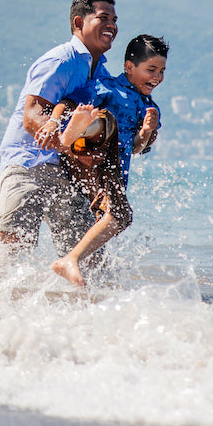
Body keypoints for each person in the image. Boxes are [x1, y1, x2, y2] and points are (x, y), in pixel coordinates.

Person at [0, 0, 119, 268]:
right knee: (13, 239)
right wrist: (58, 138)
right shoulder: (61, 60)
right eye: (103, 18)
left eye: (115, 19)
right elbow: (31, 114)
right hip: (29, 163)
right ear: (78, 23)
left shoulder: (102, 72)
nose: (111, 25)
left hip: (65, 172)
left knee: (89, 256)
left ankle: (85, 307)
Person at [49, 34, 168, 286]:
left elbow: (137, 148)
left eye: (162, 71)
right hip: (92, 159)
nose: (157, 77)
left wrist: (147, 132)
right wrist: (52, 121)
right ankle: (70, 260)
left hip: (111, 170)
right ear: (129, 67)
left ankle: (74, 273)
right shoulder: (107, 87)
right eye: (151, 70)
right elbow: (66, 102)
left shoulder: (149, 106)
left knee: (117, 217)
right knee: (121, 213)